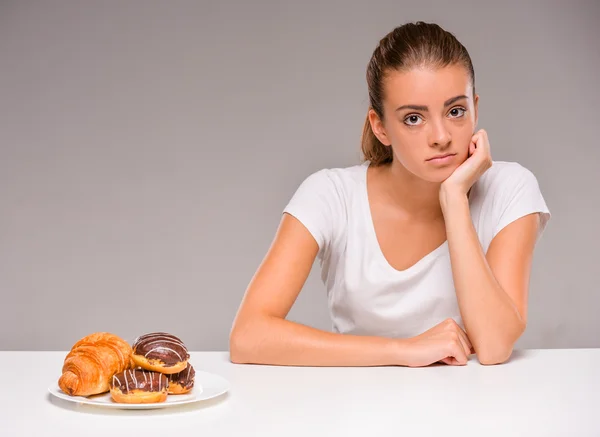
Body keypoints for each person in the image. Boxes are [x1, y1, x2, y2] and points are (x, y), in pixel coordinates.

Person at [229, 21, 551, 367]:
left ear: (475, 108)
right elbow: (248, 336)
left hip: (471, 409)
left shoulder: (510, 188)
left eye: (456, 111)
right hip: (355, 409)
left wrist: (454, 199)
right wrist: (404, 351)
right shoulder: (331, 196)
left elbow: (494, 346)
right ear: (380, 126)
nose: (441, 136)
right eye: (414, 118)